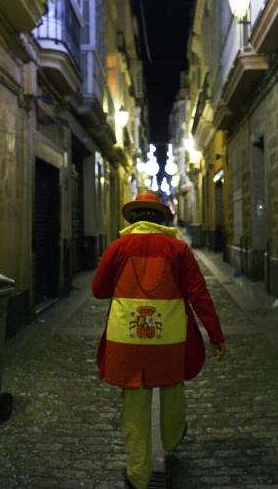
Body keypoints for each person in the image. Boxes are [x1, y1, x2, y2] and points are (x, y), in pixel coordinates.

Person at [91, 189, 226, 489]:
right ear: (160, 219)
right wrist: (215, 335)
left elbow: (98, 290)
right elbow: (199, 295)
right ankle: (173, 437)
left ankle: (138, 476)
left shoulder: (118, 247)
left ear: (135, 218)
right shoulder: (177, 250)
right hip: (169, 336)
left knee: (135, 406)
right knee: (172, 387)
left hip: (127, 337)